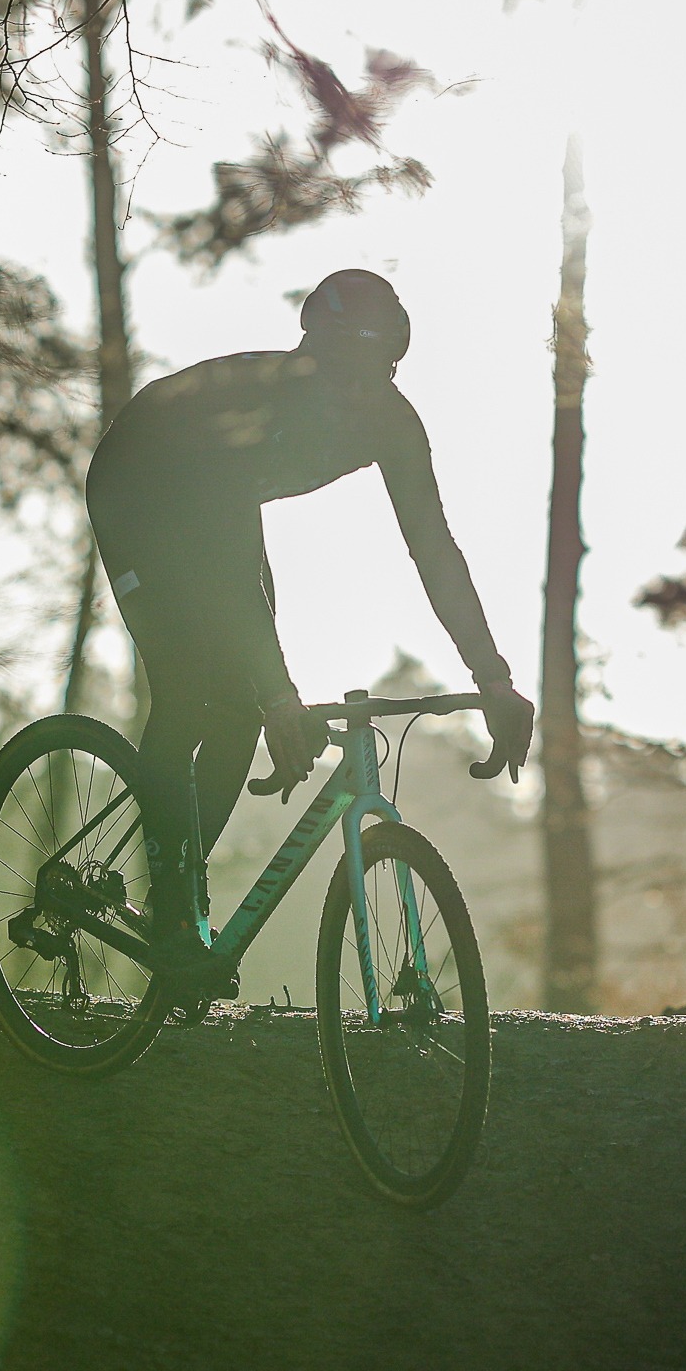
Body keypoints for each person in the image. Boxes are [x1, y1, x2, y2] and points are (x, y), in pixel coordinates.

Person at [84, 267, 535, 970]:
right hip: (138, 488)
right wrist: (280, 694)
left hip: (217, 515)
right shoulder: (257, 405)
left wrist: (494, 678)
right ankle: (173, 911)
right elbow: (229, 575)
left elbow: (435, 551)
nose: (349, 393)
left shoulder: (391, 420)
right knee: (194, 694)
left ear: (390, 371)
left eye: (369, 376)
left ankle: (172, 889)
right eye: (334, 374)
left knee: (241, 707)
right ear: (305, 357)